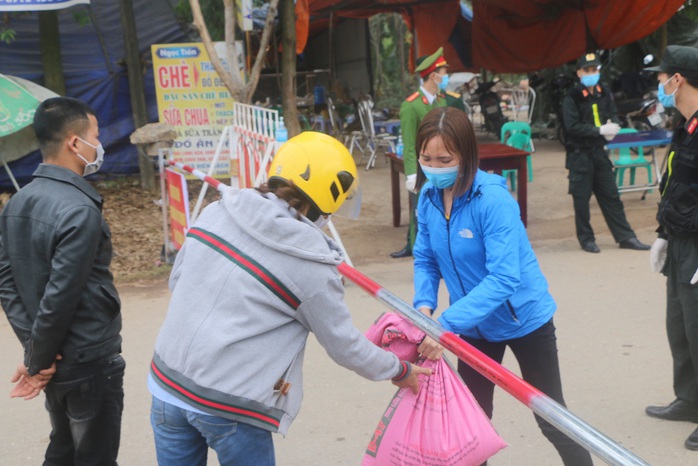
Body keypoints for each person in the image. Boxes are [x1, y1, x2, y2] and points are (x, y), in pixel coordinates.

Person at [148, 132, 430, 465]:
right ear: (328, 193)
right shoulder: (311, 264)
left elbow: (177, 280)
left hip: (166, 385)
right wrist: (398, 369)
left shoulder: (216, 211)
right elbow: (345, 346)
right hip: (231, 405)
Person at [412, 107, 593, 465]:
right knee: (472, 425)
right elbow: (425, 258)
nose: (434, 166)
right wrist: (423, 310)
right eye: (426, 158)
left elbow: (504, 277)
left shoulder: (492, 200)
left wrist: (445, 324)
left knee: (552, 419)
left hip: (523, 321)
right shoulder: (429, 197)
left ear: (466, 155)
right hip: (474, 327)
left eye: (444, 159)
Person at [0, 96, 125, 465]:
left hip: (54, 358)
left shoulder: (17, 203)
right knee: (92, 456)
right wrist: (39, 358)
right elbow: (61, 294)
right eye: (96, 136)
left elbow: (6, 281)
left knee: (65, 450)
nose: (98, 146)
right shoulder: (79, 209)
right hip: (87, 359)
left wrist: (37, 353)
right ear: (75, 143)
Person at [643, 45, 698, 451]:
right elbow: (677, 186)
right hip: (680, 239)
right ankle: (690, 399)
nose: (659, 86)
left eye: (661, 79)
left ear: (677, 79)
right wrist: (663, 231)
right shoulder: (687, 125)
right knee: (680, 325)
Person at [561, 52, 651, 253]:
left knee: (611, 197)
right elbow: (572, 126)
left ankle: (626, 237)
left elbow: (612, 113)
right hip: (580, 155)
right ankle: (586, 239)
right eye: (588, 70)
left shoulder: (604, 91)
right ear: (579, 73)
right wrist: (599, 130)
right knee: (581, 200)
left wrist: (613, 126)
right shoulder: (572, 96)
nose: (592, 73)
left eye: (595, 70)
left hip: (600, 153)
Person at [390, 47, 448, 258]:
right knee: (420, 214)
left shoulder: (442, 100)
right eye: (443, 72)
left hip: (442, 167)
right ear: (433, 75)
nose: (445, 76)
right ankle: (420, 255)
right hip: (422, 170)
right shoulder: (411, 106)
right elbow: (409, 144)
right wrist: (412, 174)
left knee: (440, 212)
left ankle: (438, 254)